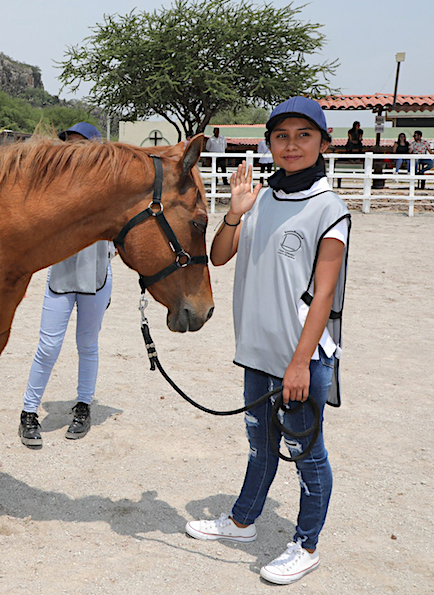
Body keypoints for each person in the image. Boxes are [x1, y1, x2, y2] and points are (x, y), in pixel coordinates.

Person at [185, 97, 350, 585]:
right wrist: (235, 213)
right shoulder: (260, 197)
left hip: (301, 360)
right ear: (269, 143)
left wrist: (300, 363)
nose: (292, 145)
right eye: (282, 136)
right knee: (261, 448)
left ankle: (306, 544)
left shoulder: (330, 208)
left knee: (306, 454)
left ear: (323, 143)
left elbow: (323, 296)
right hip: (257, 354)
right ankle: (241, 522)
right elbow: (218, 257)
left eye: (304, 135)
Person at [17, 122, 113, 448]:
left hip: (97, 275)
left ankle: (83, 405)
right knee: (48, 346)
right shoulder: (53, 184)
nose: (71, 149)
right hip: (61, 275)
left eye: (79, 144)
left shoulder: (108, 187)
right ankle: (29, 411)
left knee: (88, 345)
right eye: (68, 143)